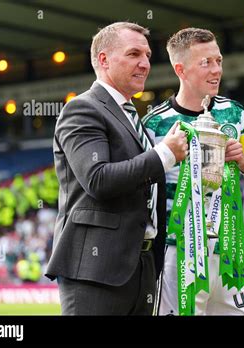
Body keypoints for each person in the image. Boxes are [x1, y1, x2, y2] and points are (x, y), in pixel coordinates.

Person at [45, 22, 188, 315]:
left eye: (148, 55)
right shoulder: (82, 109)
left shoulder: (133, 117)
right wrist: (164, 154)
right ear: (104, 59)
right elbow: (98, 179)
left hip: (142, 268)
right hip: (96, 271)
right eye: (134, 54)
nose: (145, 63)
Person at [144, 27, 244, 315]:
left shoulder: (234, 113)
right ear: (181, 69)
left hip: (228, 248)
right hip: (178, 253)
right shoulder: (154, 124)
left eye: (219, 61)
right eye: (206, 63)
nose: (216, 70)